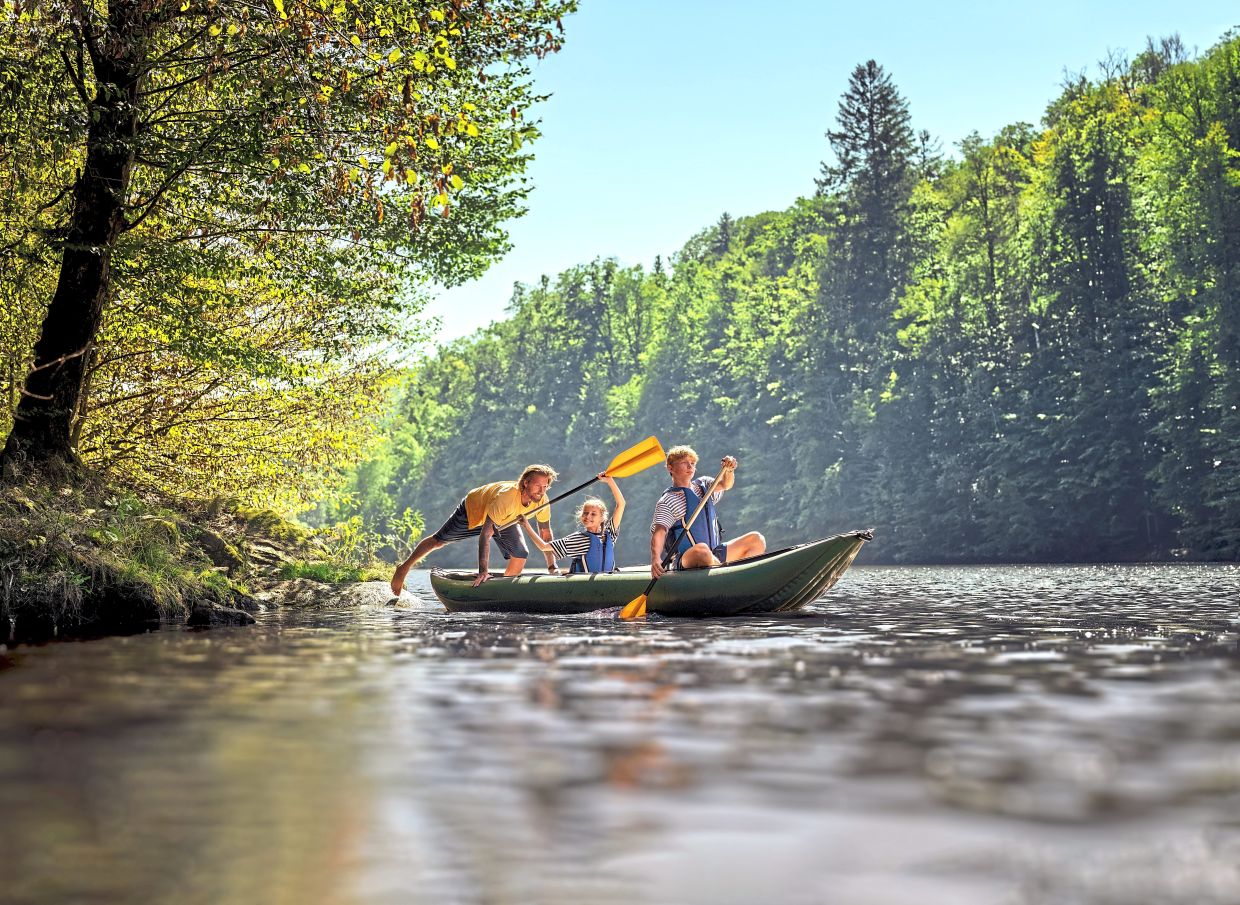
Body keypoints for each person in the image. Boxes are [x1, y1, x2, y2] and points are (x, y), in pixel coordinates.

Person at [390, 464, 559, 595]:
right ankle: (403, 568)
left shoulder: (542, 501)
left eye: (545, 487)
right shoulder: (507, 497)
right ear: (526, 483)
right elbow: (486, 534)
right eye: (538, 486)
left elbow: (545, 534)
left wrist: (552, 566)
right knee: (439, 541)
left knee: (521, 553)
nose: (542, 491)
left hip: (505, 518)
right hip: (474, 509)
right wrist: (483, 572)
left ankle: (502, 591)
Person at [649, 446, 765, 578]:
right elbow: (660, 531)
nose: (690, 467)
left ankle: (745, 579)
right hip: (687, 558)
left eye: (692, 463)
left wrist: (729, 470)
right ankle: (725, 575)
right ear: (670, 468)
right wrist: (656, 558)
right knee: (702, 550)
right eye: (684, 463)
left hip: (715, 552)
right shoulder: (668, 500)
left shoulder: (704, 485)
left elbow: (725, 484)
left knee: (756, 539)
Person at [518, 472, 625, 573]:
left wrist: (610, 481)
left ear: (602, 518)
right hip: (585, 586)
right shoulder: (578, 539)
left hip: (605, 583)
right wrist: (526, 525)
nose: (588, 516)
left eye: (593, 514)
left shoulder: (610, 534)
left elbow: (621, 504)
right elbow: (544, 546)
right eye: (585, 513)